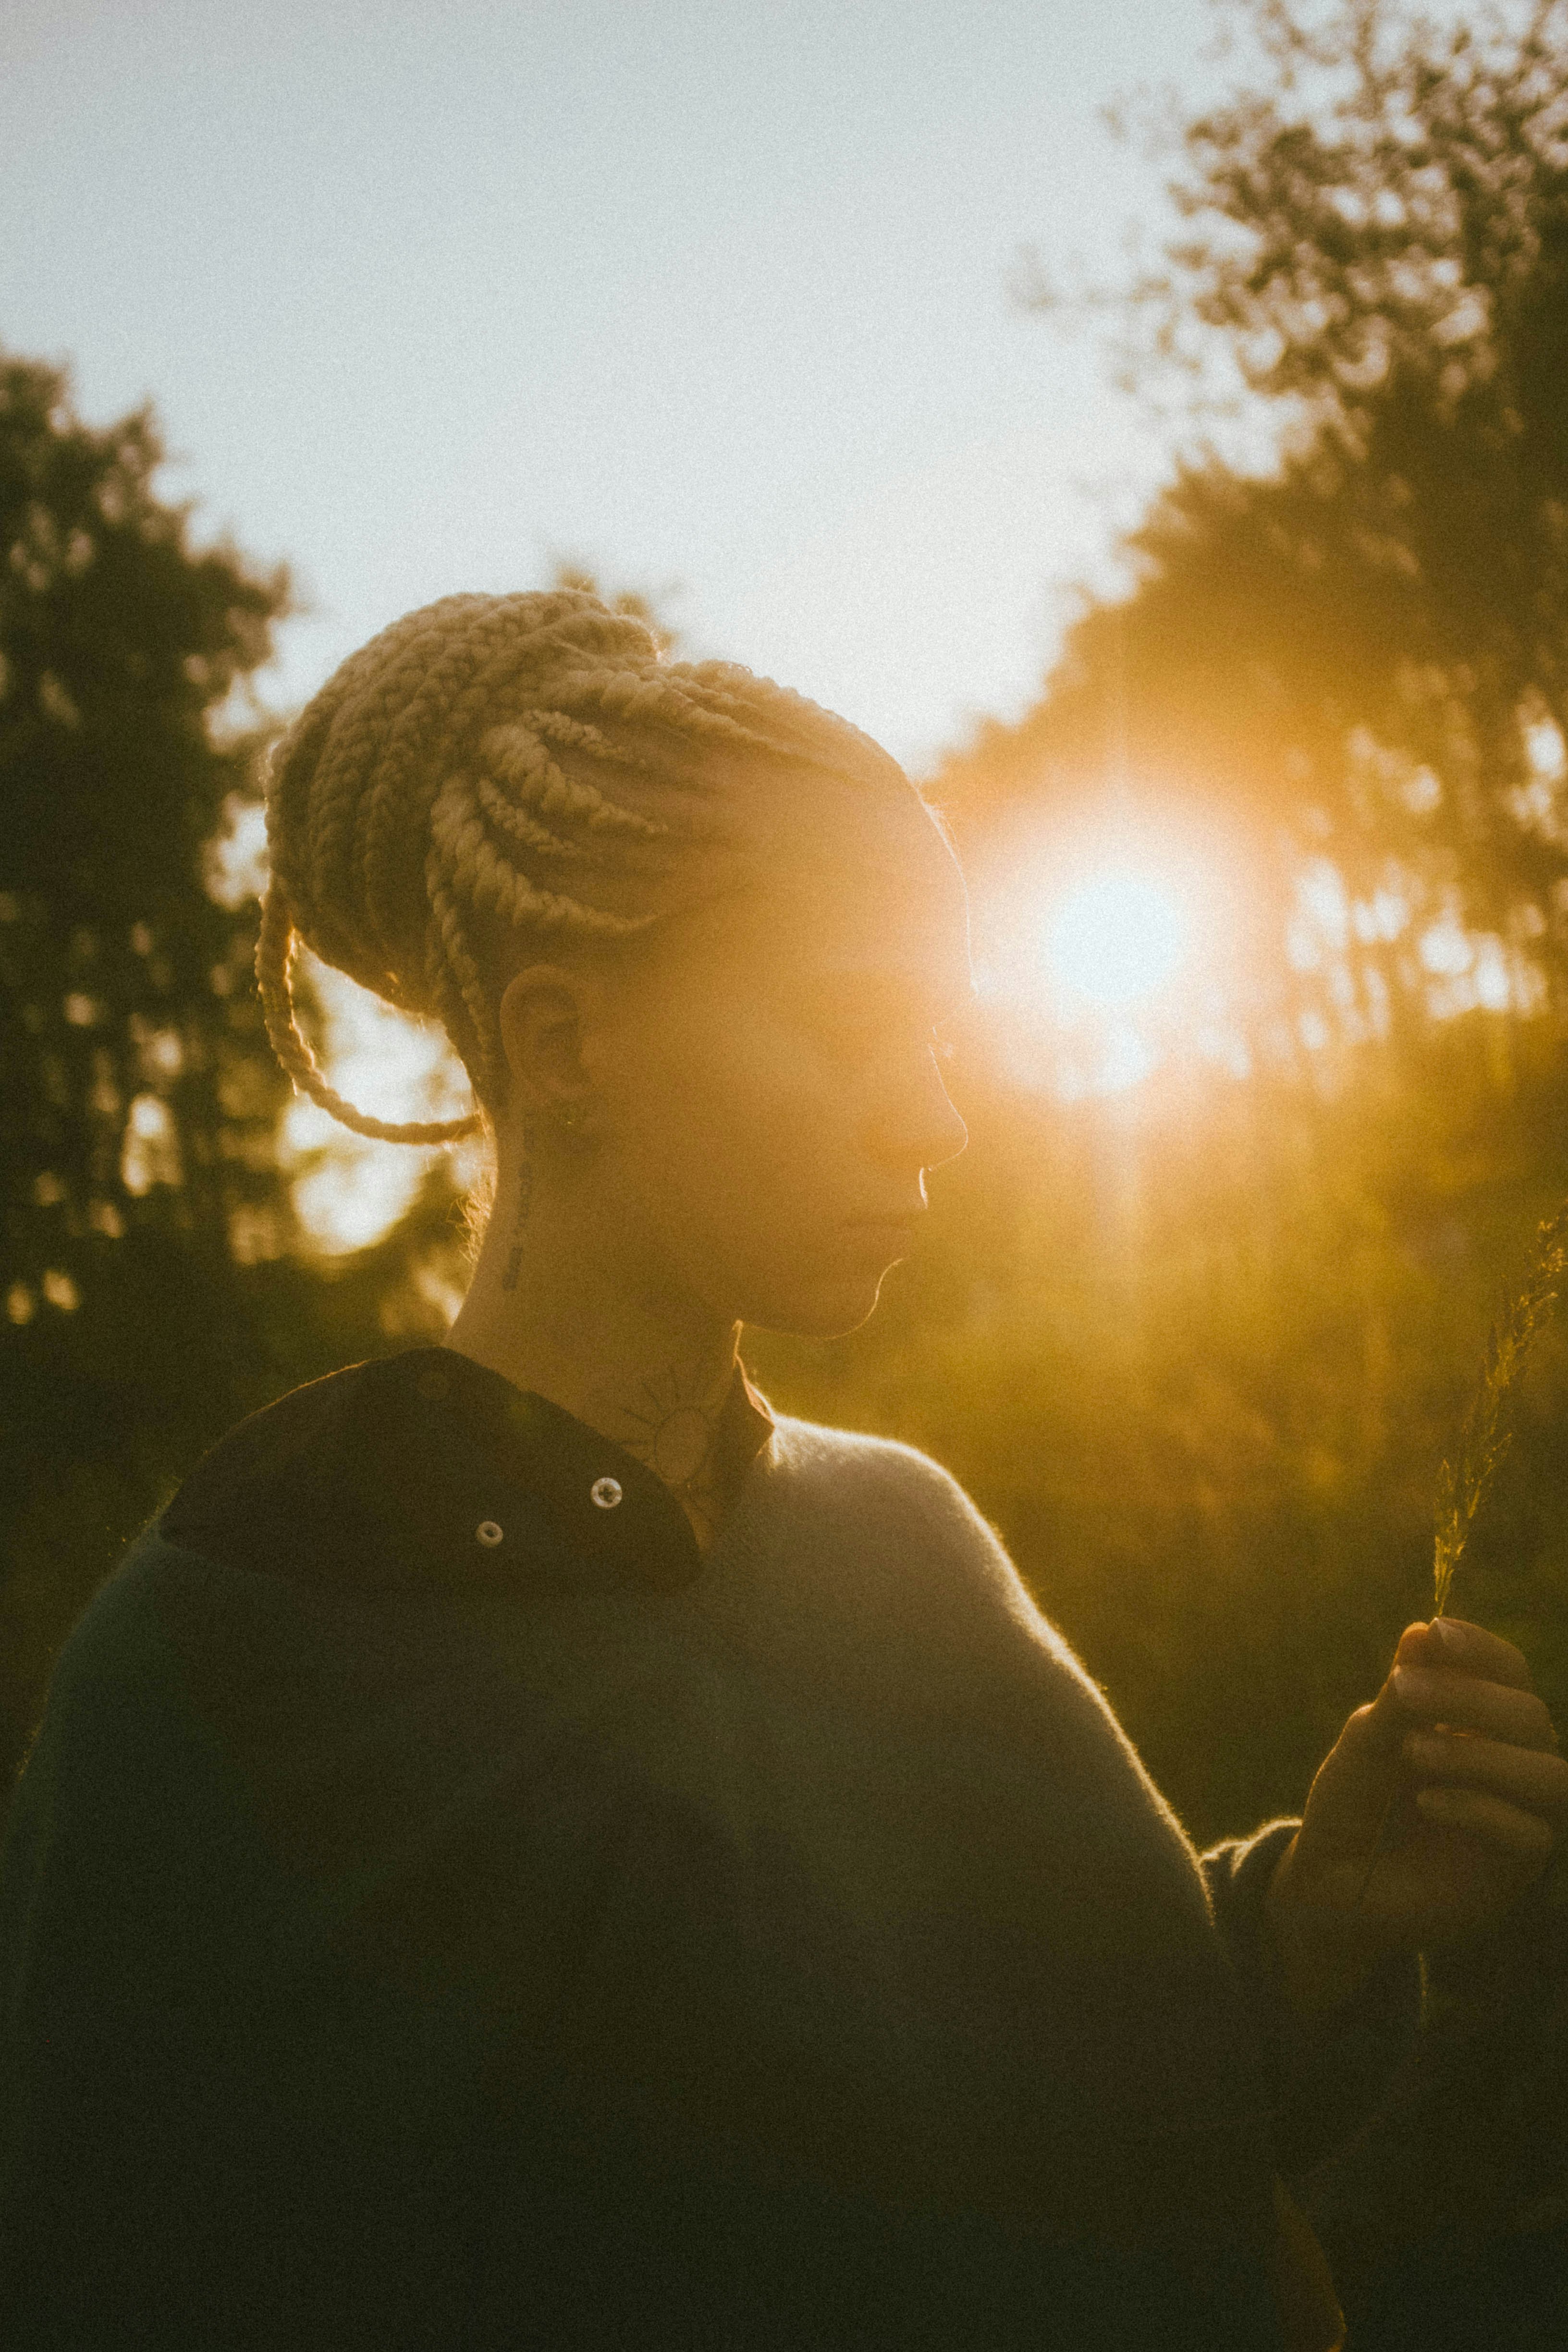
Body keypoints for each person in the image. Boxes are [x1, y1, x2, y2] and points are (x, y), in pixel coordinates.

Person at [1, 588, 1563, 2352]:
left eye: (944, 1035)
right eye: (850, 1023)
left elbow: (1065, 2091)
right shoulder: (212, 1667)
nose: (935, 1116)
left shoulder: (906, 1543)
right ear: (560, 1042)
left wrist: (1309, 1923)